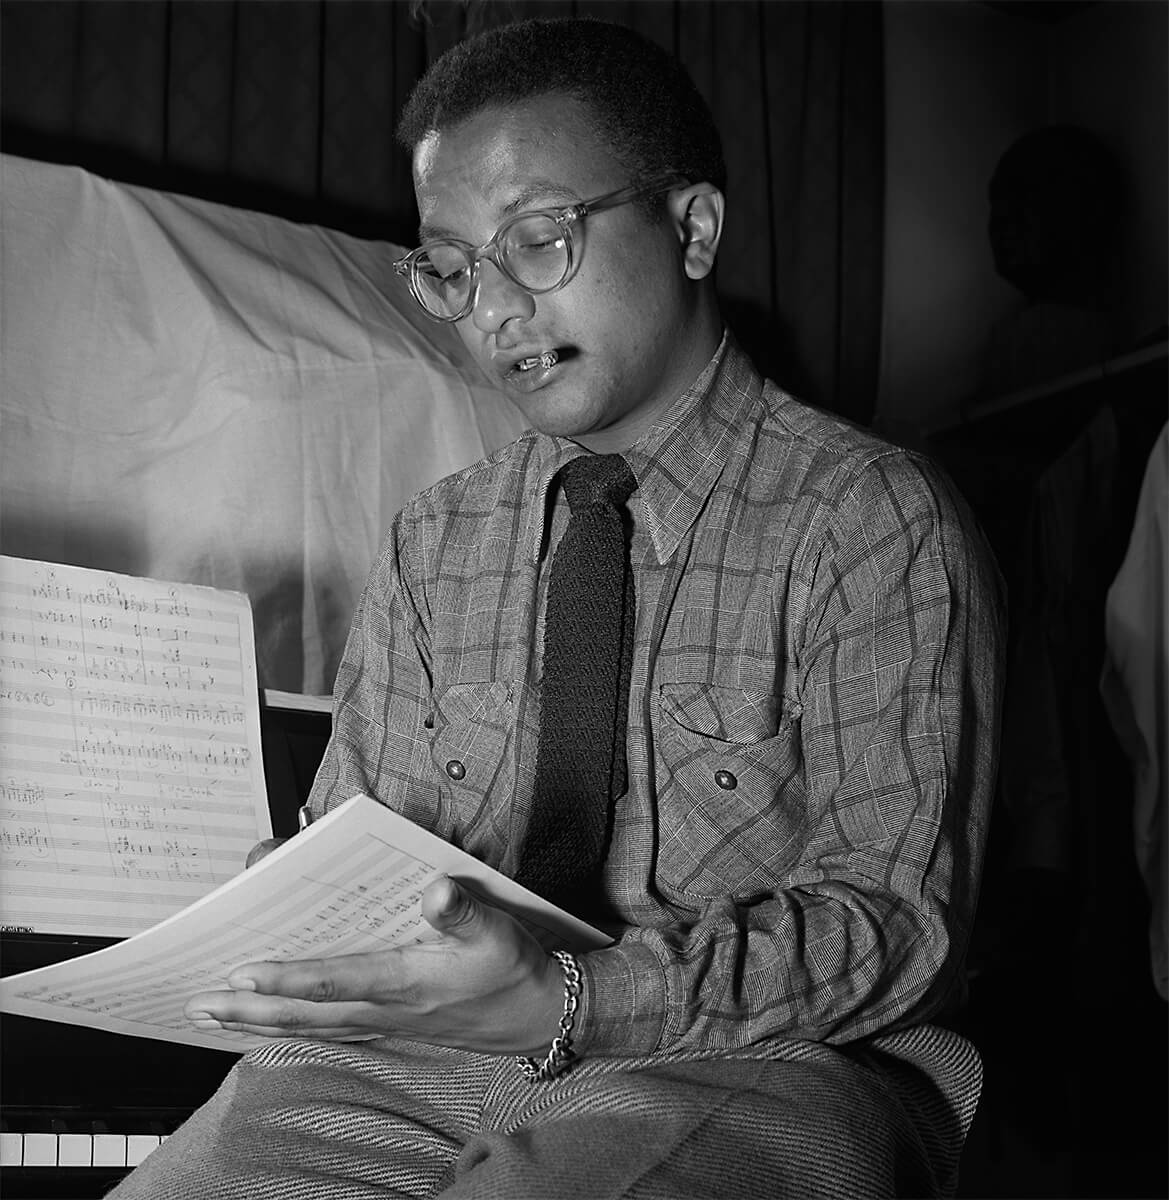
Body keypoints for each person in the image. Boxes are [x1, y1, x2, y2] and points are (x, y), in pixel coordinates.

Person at [109, 17, 1004, 1200]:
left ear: (691, 228)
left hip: (752, 1059)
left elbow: (898, 922)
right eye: (452, 266)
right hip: (406, 1060)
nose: (493, 310)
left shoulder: (867, 518)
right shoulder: (433, 538)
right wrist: (303, 903)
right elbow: (360, 839)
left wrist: (566, 998)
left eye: (538, 240)